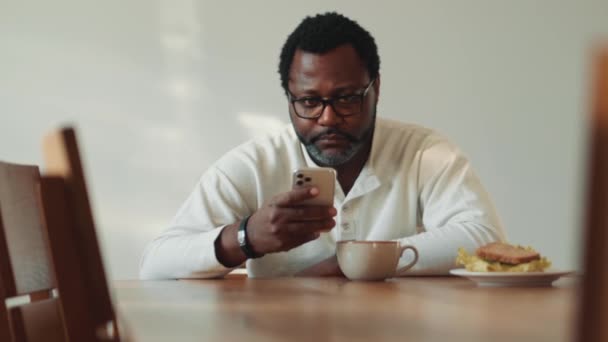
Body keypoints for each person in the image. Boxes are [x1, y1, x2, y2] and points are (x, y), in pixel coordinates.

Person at [139, 12, 505, 279]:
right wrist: (247, 237)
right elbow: (155, 265)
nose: (328, 119)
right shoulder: (254, 164)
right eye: (309, 102)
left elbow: (483, 237)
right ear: (288, 98)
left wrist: (348, 266)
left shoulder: (424, 152)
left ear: (375, 89)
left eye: (345, 99)